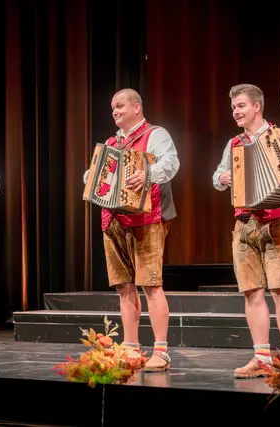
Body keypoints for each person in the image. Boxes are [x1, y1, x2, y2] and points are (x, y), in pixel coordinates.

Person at [213, 84, 280, 379]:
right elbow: (216, 177)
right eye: (233, 107)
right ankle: (261, 358)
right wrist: (223, 177)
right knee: (252, 292)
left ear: (256, 107)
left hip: (278, 220)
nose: (236, 112)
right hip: (245, 222)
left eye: (241, 106)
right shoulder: (234, 144)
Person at [83, 88, 179, 372]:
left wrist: (147, 174)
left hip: (147, 218)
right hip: (113, 219)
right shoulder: (111, 143)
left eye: (120, 106)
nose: (115, 111)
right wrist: (92, 176)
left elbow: (171, 164)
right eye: (113, 107)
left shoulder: (155, 134)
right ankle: (131, 348)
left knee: (151, 285)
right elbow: (92, 174)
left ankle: (161, 351)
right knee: (124, 287)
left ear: (137, 107)